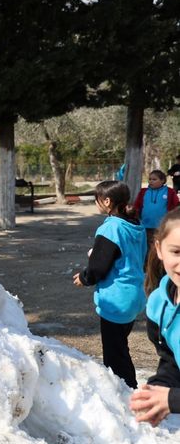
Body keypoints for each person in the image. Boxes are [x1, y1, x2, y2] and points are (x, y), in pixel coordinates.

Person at [72, 181, 146, 389]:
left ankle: (126, 391)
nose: (96, 203)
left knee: (115, 353)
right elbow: (127, 255)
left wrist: (84, 278)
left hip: (117, 298)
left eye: (97, 199)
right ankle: (126, 387)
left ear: (106, 201)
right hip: (134, 295)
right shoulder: (134, 224)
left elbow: (98, 267)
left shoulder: (111, 228)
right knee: (120, 346)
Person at [131, 207, 180, 426]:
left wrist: (173, 399)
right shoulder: (158, 304)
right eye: (177, 252)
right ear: (159, 249)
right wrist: (159, 386)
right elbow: (171, 359)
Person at [133, 170, 179, 247]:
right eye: (150, 179)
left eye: (154, 179)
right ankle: (148, 259)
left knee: (160, 245)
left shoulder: (169, 191)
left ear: (163, 181)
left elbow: (176, 205)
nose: (151, 181)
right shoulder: (143, 191)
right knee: (146, 246)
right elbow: (137, 205)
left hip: (162, 226)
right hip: (145, 225)